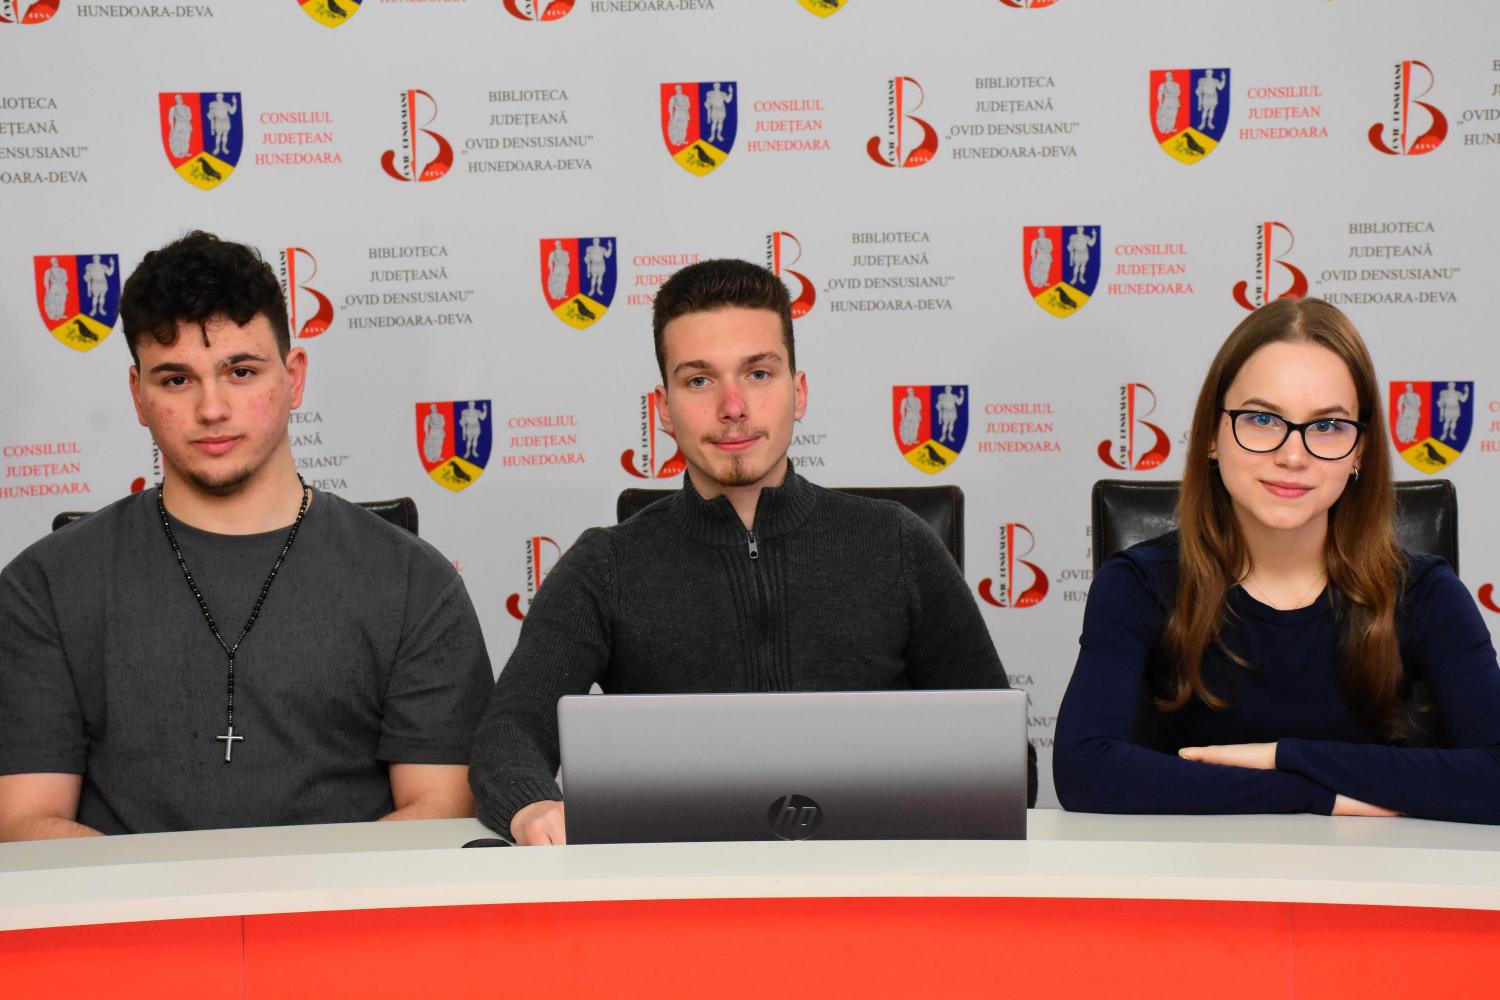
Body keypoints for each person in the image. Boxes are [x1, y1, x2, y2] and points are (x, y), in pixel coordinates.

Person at [470, 258, 1034, 844]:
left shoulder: (896, 543)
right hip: (679, 887)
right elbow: (507, 736)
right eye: (699, 381)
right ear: (663, 410)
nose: (733, 407)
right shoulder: (605, 565)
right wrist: (532, 806)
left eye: (759, 373)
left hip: (873, 881)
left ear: (799, 392)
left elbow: (1005, 762)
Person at [0, 231, 494, 841]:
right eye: (176, 380)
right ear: (138, 396)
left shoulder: (414, 581)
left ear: (294, 377)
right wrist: (168, 896)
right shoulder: (45, 585)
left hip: (343, 903)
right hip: (133, 904)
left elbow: (443, 810)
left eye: (240, 372)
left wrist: (298, 895)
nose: (212, 409)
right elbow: (26, 820)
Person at [1053, 297, 1500, 823]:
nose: (1293, 455)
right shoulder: (1138, 584)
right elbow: (1085, 771)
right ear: (1212, 435)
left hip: (1373, 870)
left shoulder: (1425, 593)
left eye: (1328, 427)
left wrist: (1283, 756)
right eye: (1262, 419)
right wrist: (1314, 798)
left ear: (1360, 450)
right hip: (1191, 869)